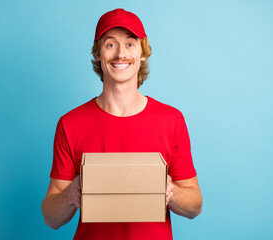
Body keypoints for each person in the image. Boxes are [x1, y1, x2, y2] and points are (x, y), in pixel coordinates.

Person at [41, 8, 202, 240]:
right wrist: (71, 195)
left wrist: (171, 192)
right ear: (98, 54)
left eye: (130, 44)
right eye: (110, 44)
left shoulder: (171, 120)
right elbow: (50, 218)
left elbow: (195, 205)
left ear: (142, 53)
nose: (120, 54)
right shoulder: (71, 124)